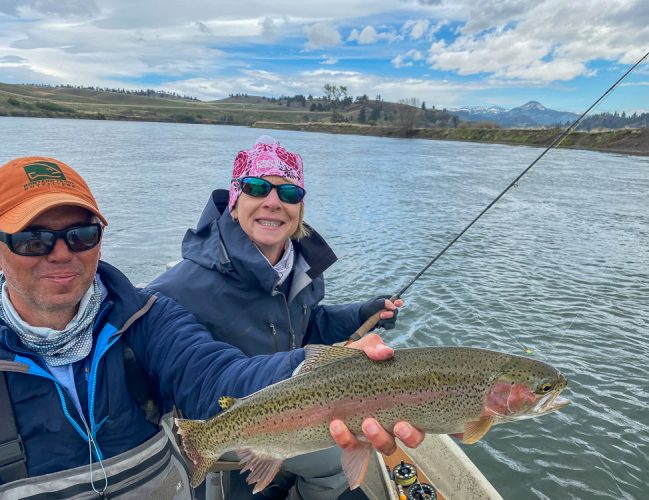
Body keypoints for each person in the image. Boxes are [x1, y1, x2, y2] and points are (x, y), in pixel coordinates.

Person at [0, 156, 423, 499]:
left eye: (81, 235)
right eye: (32, 240)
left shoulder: (148, 316)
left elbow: (220, 370)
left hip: (287, 404)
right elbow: (213, 391)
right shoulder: (172, 292)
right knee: (332, 462)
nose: (59, 253)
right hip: (251, 422)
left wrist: (359, 322)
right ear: (233, 202)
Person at [149, 136, 404, 499]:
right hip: (232, 418)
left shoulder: (300, 267)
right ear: (235, 204)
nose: (273, 202)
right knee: (340, 458)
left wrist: (362, 314)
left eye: (289, 194)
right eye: (256, 188)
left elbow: (306, 328)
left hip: (296, 403)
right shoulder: (174, 289)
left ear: (299, 209)